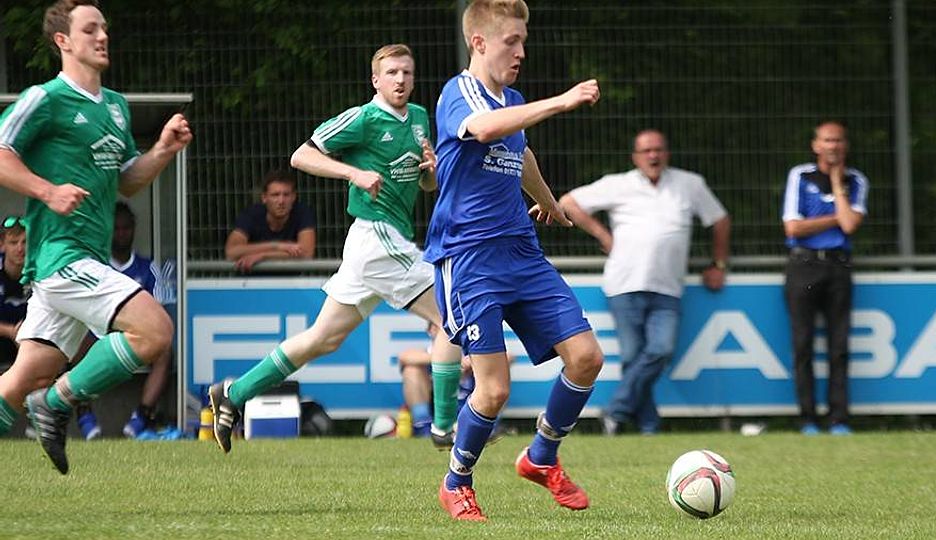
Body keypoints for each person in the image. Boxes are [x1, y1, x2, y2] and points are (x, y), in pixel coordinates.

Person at [208, 43, 463, 454]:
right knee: (452, 315)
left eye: (407, 73)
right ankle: (445, 427)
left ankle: (234, 393)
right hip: (376, 237)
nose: (400, 79)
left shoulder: (418, 118)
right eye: (392, 73)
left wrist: (429, 173)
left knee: (322, 339)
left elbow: (425, 185)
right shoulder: (363, 118)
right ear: (376, 80)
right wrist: (353, 173)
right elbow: (301, 156)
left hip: (382, 243)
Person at [427, 0, 604, 521]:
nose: (521, 51)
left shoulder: (513, 100)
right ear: (479, 42)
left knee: (586, 357)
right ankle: (456, 482)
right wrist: (562, 101)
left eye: (523, 41)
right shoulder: (459, 92)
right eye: (511, 41)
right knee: (494, 389)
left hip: (522, 253)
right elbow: (484, 129)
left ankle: (542, 456)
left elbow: (519, 153)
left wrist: (548, 202)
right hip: (470, 257)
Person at [0, 0, 192, 473]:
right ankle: (57, 401)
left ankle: (47, 397)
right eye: (90, 29)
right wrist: (47, 191)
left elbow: (127, 180)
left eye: (104, 28)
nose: (102, 36)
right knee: (155, 331)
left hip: (86, 259)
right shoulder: (45, 98)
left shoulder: (116, 107)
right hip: (60, 256)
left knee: (19, 383)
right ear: (63, 41)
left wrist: (162, 150)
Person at [559, 129, 731, 436]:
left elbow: (720, 219)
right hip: (624, 285)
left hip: (668, 287)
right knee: (632, 358)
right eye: (646, 151)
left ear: (667, 153)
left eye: (658, 149)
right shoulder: (618, 184)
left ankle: (615, 411)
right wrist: (603, 236)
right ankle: (648, 426)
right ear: (635, 157)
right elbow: (568, 202)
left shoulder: (690, 184)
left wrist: (718, 264)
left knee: (660, 350)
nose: (653, 155)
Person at [782, 120, 867, 436]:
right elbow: (793, 227)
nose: (833, 146)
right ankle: (807, 418)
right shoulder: (800, 176)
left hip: (838, 267)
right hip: (804, 265)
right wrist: (837, 218)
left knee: (839, 347)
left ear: (846, 146)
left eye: (838, 141)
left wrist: (835, 183)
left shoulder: (856, 180)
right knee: (802, 344)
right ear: (816, 145)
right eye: (827, 140)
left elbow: (850, 226)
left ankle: (838, 418)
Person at [73, 201, 175, 439]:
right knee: (73, 346)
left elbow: (160, 311)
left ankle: (142, 416)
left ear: (134, 228)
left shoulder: (148, 268)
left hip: (138, 337)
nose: (121, 234)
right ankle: (84, 412)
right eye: (116, 229)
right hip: (99, 333)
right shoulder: (97, 267)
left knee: (164, 351)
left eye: (126, 228)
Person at [224, 169, 317, 272]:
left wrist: (263, 256)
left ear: (294, 197)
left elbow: (306, 253)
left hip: (290, 279)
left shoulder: (302, 213)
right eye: (275, 195)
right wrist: (277, 246)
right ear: (264, 198)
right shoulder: (251, 214)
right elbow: (231, 252)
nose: (281, 201)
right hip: (252, 279)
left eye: (286, 195)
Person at [0, 217, 28, 373]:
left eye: (25, 242)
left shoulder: (42, 273)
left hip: (30, 341)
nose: (20, 248)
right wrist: (10, 331)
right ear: (2, 245)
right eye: (13, 242)